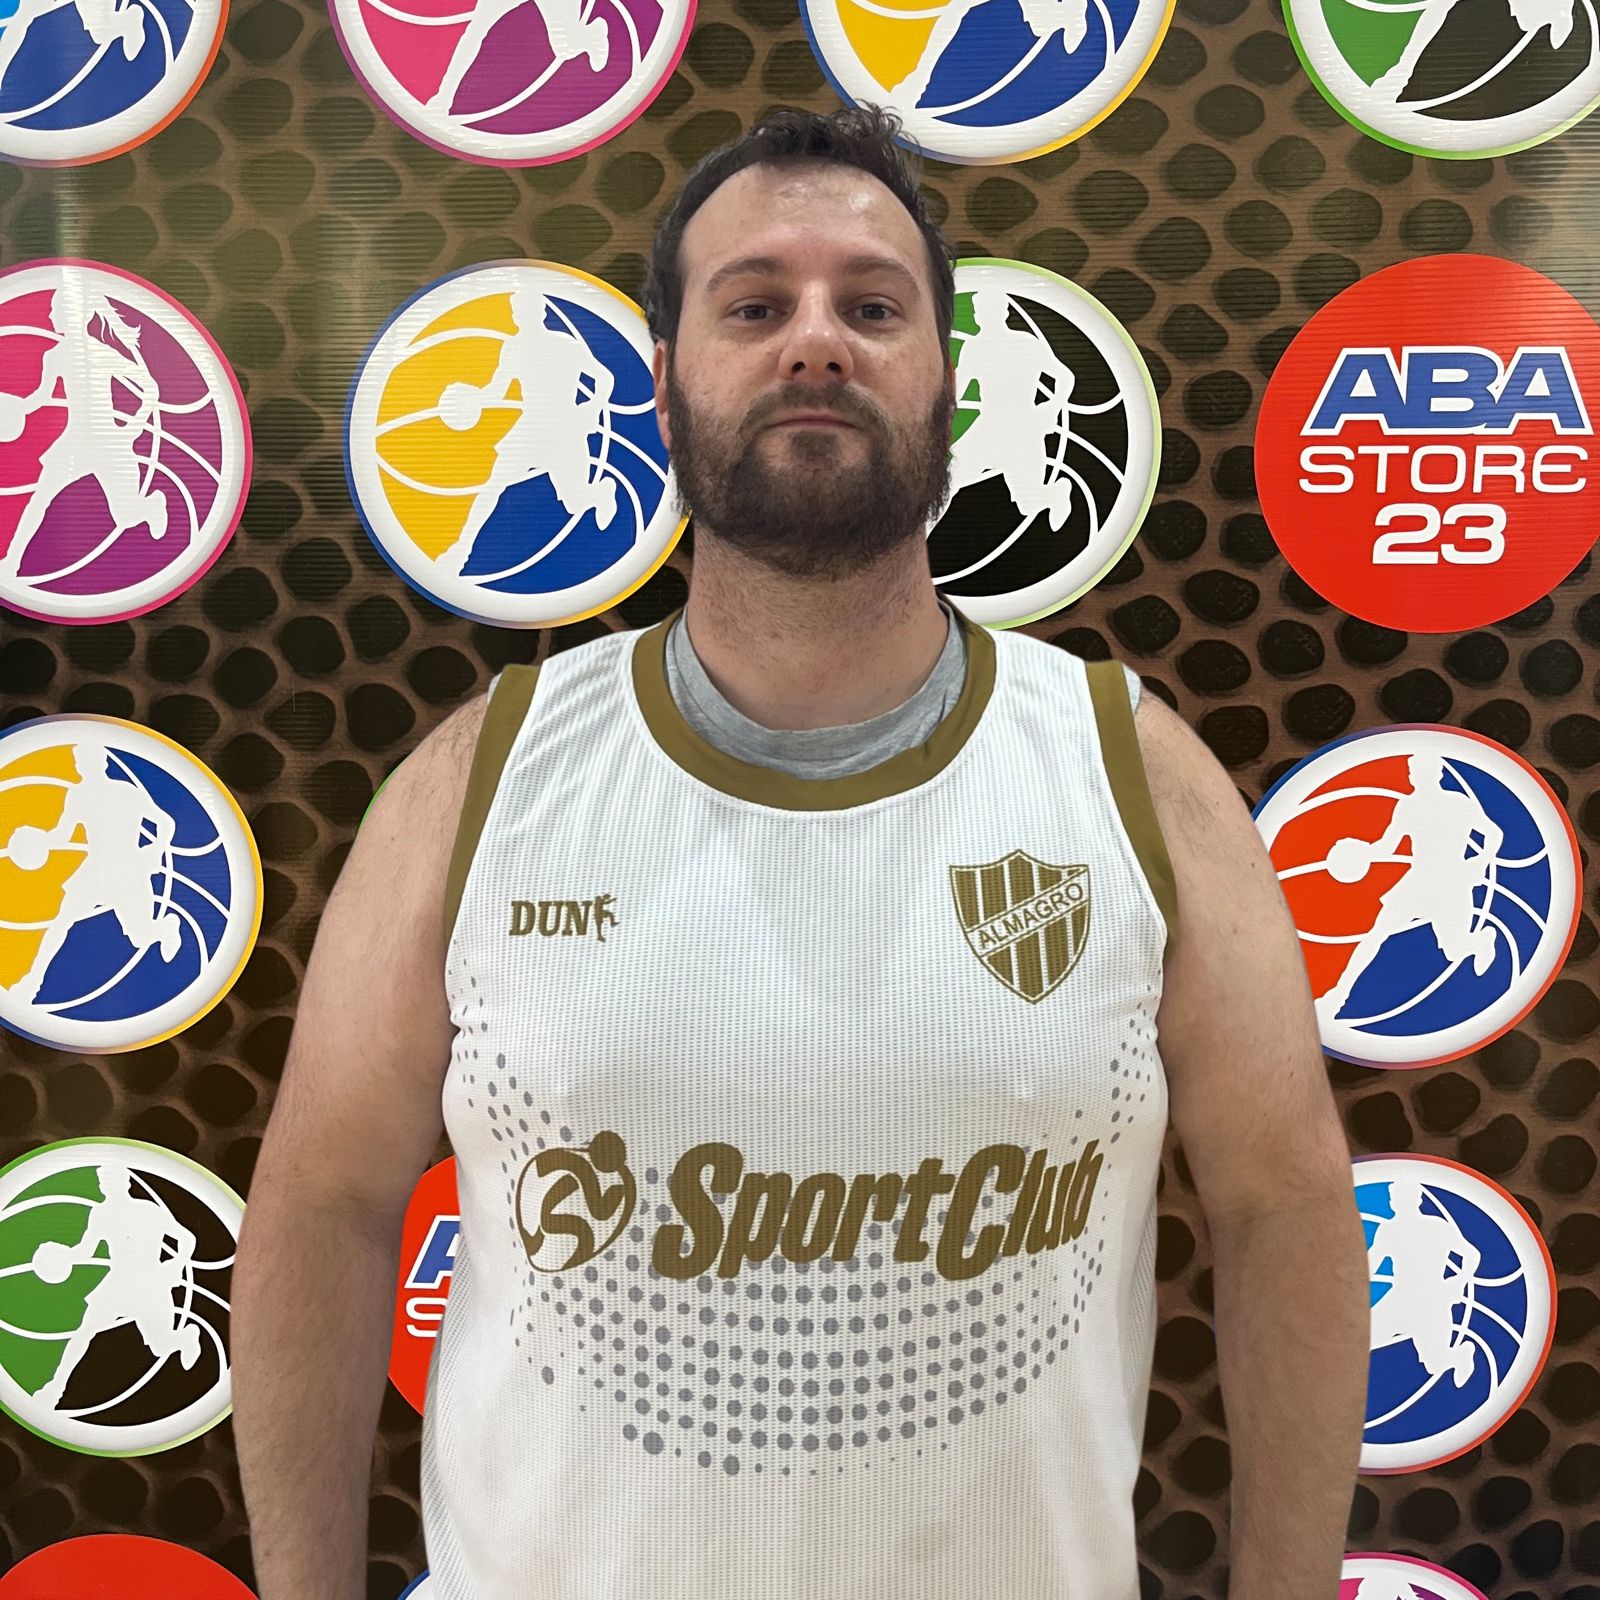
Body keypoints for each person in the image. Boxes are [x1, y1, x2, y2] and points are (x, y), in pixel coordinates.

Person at [232, 103, 1369, 1600]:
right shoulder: (485, 780)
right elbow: (321, 1206)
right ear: (662, 383)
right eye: (756, 305)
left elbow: (1286, 1207)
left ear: (949, 381)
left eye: (873, 308)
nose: (817, 343)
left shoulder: (1131, 775)